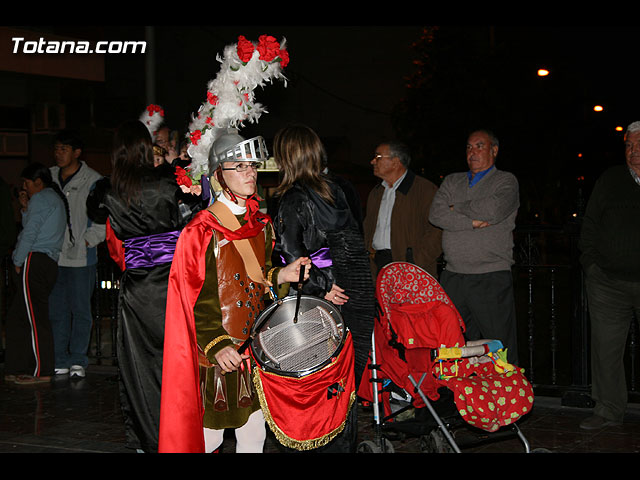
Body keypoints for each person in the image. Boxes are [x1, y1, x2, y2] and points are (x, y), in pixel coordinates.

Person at [159, 129, 310, 453]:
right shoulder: (201, 230)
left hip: (254, 345)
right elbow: (194, 298)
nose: (249, 173)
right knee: (209, 436)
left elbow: (256, 278)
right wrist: (217, 345)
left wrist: (282, 273)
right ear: (218, 176)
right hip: (218, 350)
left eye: (252, 166)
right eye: (239, 167)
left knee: (254, 431)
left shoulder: (261, 225)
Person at [271, 123, 375, 452]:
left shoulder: (291, 199)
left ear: (286, 157)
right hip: (357, 294)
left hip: (322, 301)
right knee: (344, 386)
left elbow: (292, 258)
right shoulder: (340, 188)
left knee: (315, 386)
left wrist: (323, 284)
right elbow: (354, 240)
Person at [96, 120, 197, 452]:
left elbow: (95, 214)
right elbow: (191, 217)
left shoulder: (111, 191)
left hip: (138, 288)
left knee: (139, 366)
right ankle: (181, 433)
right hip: (171, 282)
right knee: (179, 360)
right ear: (144, 147)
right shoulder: (166, 183)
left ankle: (147, 439)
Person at [428, 129, 520, 364]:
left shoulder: (505, 181)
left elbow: (494, 210)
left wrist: (454, 207)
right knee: (451, 344)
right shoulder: (452, 180)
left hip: (490, 275)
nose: (473, 152)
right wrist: (471, 223)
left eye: (479, 146)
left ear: (494, 150)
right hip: (453, 276)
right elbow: (436, 214)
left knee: (499, 345)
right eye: (469, 147)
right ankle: (462, 397)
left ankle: (505, 397)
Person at [578, 121, 640, 430]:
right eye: (629, 146)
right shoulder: (611, 179)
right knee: (605, 349)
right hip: (608, 283)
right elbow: (589, 224)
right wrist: (591, 265)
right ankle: (607, 409)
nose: (634, 152)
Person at [4, 163, 69, 384]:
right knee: (18, 316)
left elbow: (31, 233)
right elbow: (37, 226)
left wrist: (18, 259)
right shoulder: (52, 199)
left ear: (38, 182)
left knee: (34, 317)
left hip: (35, 259)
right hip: (46, 260)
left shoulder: (42, 198)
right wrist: (25, 209)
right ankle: (16, 366)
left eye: (27, 182)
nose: (24, 187)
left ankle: (42, 371)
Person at [48, 130, 105, 378]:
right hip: (53, 255)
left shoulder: (93, 180)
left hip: (82, 257)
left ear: (77, 153)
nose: (58, 153)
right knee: (57, 309)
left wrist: (86, 242)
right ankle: (59, 357)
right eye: (56, 148)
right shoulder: (49, 177)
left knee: (81, 309)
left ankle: (78, 360)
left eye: (64, 149)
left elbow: (102, 219)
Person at [363, 140, 442, 278]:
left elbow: (437, 232)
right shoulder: (376, 193)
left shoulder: (424, 190)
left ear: (395, 162)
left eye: (378, 157)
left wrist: (414, 261)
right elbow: (368, 230)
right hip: (379, 266)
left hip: (413, 269)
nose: (372, 162)